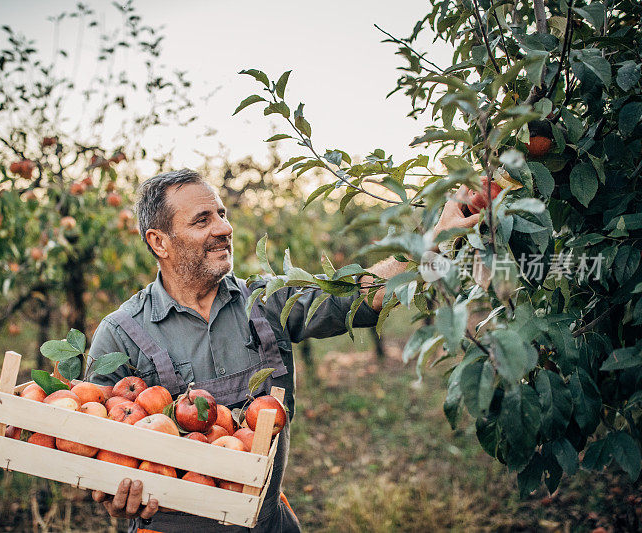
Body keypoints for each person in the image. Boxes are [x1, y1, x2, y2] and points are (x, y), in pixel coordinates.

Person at [86, 169, 479, 532]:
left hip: (268, 522)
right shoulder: (121, 334)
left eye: (222, 214)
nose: (225, 228)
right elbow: (87, 451)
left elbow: (357, 296)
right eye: (202, 219)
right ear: (159, 242)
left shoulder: (267, 299)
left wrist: (433, 242)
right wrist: (112, 495)